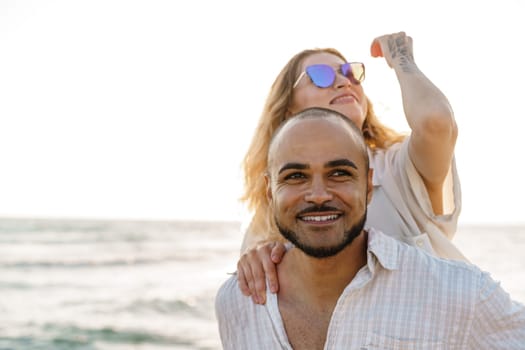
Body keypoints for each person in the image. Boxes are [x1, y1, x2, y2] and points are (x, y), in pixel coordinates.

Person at [215, 108, 525, 349]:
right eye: (296, 176)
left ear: (368, 187)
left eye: (339, 173)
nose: (319, 194)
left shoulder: (460, 294)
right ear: (270, 192)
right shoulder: (237, 302)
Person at [238, 32, 466, 305]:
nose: (344, 82)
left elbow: (436, 122)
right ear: (288, 108)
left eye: (351, 73)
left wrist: (400, 57)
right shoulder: (272, 210)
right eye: (321, 75)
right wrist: (254, 260)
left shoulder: (398, 168)